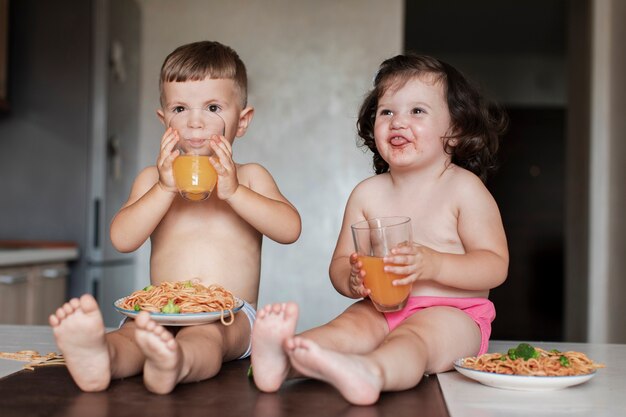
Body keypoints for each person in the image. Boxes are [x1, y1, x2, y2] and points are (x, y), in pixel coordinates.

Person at [250, 53, 509, 405]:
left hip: (455, 315)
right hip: (382, 307)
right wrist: (352, 279)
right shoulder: (367, 194)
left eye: (417, 111)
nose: (398, 122)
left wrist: (434, 264)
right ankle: (281, 362)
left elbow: (495, 265)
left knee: (413, 341)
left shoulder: (464, 189)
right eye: (387, 112)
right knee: (343, 330)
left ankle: (371, 372)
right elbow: (341, 263)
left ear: (456, 130)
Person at [49, 41, 302, 394]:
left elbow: (290, 228)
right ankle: (101, 356)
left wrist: (234, 193)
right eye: (180, 108)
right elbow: (122, 240)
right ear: (164, 119)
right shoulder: (152, 179)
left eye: (213, 107)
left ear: (242, 121)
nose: (195, 122)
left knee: (207, 337)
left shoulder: (249, 177)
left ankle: (177, 363)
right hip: (161, 309)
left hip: (230, 314)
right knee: (132, 333)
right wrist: (164, 189)